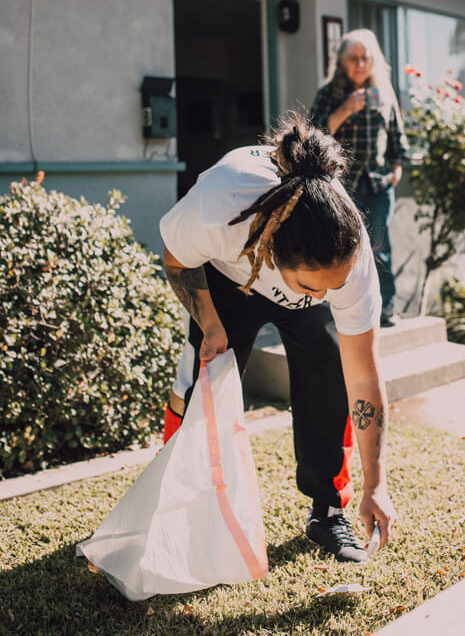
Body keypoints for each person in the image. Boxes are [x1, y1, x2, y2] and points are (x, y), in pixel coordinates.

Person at [160, 113, 396, 563]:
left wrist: (377, 485)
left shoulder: (350, 260)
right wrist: (209, 323)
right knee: (198, 386)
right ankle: (177, 510)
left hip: (300, 275)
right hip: (228, 279)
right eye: (312, 287)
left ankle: (328, 511)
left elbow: (365, 379)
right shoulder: (220, 204)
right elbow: (176, 259)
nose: (325, 297)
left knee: (332, 378)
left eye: (333, 287)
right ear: (273, 250)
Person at [310, 29, 409, 327]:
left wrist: (396, 170)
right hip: (340, 186)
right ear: (342, 61)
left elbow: (397, 138)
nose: (360, 64)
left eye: (366, 58)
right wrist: (346, 108)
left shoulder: (384, 93)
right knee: (339, 248)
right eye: (353, 59)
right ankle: (338, 310)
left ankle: (386, 309)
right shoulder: (329, 93)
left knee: (380, 247)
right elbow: (313, 136)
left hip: (378, 184)